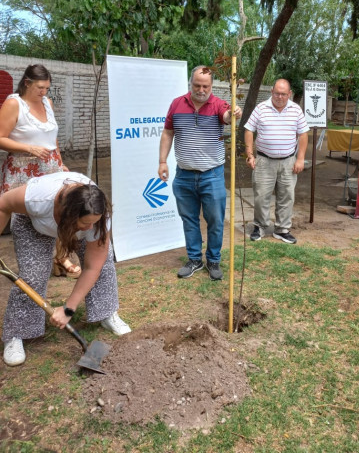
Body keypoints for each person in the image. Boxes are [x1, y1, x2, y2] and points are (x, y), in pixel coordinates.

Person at [1, 171, 131, 367]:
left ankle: (106, 313)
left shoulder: (98, 216)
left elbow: (92, 266)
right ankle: (16, 333)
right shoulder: (38, 198)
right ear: (69, 215)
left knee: (103, 265)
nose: (90, 228)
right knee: (32, 276)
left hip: (70, 221)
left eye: (94, 222)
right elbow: (4, 204)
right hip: (33, 222)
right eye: (86, 223)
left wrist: (69, 308)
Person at [158, 66, 241, 280]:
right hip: (184, 175)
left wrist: (234, 113)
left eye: (206, 86)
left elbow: (227, 116)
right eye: (197, 85)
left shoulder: (218, 104)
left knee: (215, 220)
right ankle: (194, 259)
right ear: (190, 83)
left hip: (211, 175)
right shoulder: (177, 104)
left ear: (211, 86)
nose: (201, 90)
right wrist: (162, 161)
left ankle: (213, 261)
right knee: (189, 220)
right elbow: (168, 132)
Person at [0, 64, 80, 278]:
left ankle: (61, 257)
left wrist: (60, 162)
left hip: (50, 165)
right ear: (27, 83)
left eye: (47, 88)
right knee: (17, 212)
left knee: (58, 209)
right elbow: (0, 138)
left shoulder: (47, 102)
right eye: (40, 88)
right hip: (23, 166)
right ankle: (32, 266)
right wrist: (28, 148)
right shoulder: (13, 103)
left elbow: (52, 137)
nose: (44, 92)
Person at [244, 79, 309, 244]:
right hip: (264, 161)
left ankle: (282, 229)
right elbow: (249, 130)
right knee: (261, 196)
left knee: (287, 196)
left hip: (288, 161)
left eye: (283, 94)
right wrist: (250, 154)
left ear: (289, 94)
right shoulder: (261, 108)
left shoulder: (296, 110)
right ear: (272, 91)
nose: (279, 97)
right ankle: (260, 226)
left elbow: (303, 134)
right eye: (277, 93)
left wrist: (300, 159)